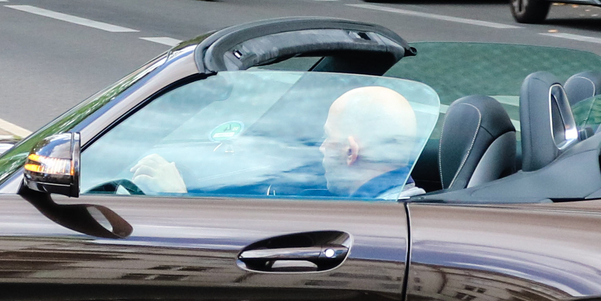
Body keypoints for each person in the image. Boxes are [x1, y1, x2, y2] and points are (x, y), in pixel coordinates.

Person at [133, 84, 423, 199]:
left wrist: (176, 197)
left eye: (327, 138)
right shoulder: (394, 202)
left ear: (350, 151)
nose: (320, 147)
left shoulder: (366, 221)